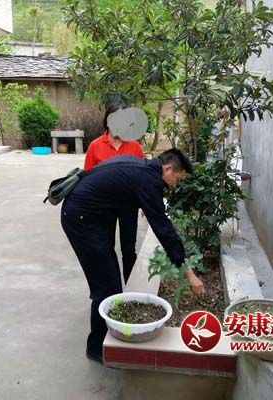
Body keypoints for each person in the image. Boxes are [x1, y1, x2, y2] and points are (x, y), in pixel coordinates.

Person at [61, 149, 205, 364]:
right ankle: (97, 348)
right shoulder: (149, 181)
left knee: (110, 280)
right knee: (106, 287)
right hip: (81, 219)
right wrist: (189, 273)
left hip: (91, 216)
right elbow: (164, 230)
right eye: (178, 178)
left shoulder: (142, 169)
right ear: (167, 169)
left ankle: (105, 338)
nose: (176, 185)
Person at [84, 104, 145, 284]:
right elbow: (87, 178)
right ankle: (112, 287)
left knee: (129, 249)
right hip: (104, 206)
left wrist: (145, 203)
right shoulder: (95, 146)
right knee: (106, 247)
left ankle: (131, 288)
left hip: (129, 205)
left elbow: (143, 178)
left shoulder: (134, 146)